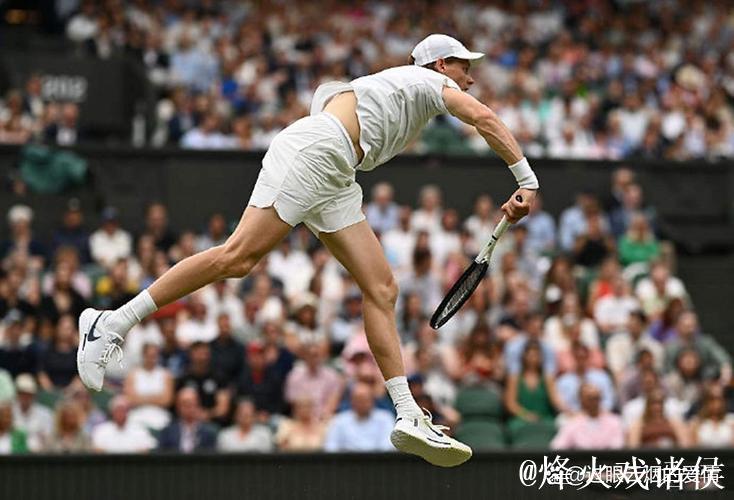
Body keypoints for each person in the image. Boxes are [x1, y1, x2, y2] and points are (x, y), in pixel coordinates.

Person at [77, 33, 540, 467]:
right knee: (237, 258)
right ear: (440, 65)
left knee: (382, 287)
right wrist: (526, 180)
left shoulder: (398, 95)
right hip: (317, 153)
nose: (470, 79)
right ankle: (111, 322)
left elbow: (334, 98)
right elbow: (484, 118)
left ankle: (407, 413)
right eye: (464, 68)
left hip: (338, 174)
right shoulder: (426, 82)